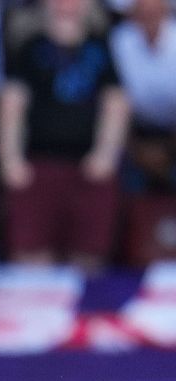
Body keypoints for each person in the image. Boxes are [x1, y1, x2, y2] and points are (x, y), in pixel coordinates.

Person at [0, 0, 131, 268]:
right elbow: (12, 103)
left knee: (89, 259)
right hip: (39, 166)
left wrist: (106, 153)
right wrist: (10, 158)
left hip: (87, 169)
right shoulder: (30, 47)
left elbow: (116, 102)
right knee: (31, 256)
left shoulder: (100, 46)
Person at [111, 0, 176, 265]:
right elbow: (112, 101)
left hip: (172, 135)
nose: (149, 10)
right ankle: (128, 260)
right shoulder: (119, 41)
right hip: (133, 136)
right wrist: (136, 150)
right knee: (113, 176)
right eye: (142, 5)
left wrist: (168, 151)